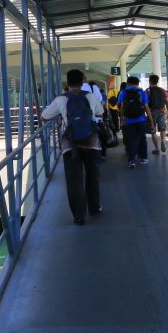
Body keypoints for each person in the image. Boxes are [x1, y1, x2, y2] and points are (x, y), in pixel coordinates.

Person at [41, 68, 105, 225]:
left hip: (70, 144)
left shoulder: (61, 99)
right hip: (91, 142)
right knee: (92, 176)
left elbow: (43, 116)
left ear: (67, 82)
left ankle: (79, 215)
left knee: (74, 179)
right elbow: (100, 112)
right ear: (83, 81)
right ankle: (95, 208)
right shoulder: (89, 96)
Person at [117, 75, 152, 169]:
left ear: (128, 83)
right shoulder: (141, 92)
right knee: (142, 138)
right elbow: (146, 107)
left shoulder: (123, 92)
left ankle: (132, 160)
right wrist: (151, 120)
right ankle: (143, 158)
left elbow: (121, 107)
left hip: (128, 120)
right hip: (141, 119)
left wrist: (122, 119)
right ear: (137, 83)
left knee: (131, 140)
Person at [146, 74, 168, 154]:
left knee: (153, 131)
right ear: (157, 81)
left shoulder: (147, 91)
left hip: (151, 112)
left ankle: (156, 148)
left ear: (150, 81)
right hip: (161, 111)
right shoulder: (162, 90)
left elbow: (145, 104)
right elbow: (167, 102)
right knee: (163, 129)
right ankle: (163, 140)